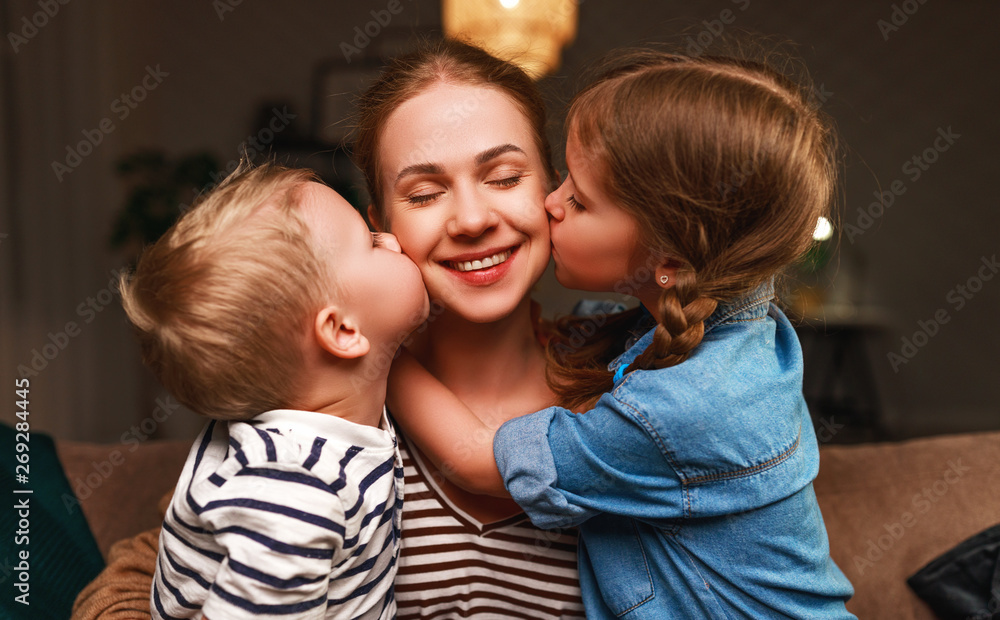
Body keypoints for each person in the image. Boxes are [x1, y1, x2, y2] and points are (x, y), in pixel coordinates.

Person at [71, 40, 586, 619]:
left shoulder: (634, 387)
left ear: (554, 190)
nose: (471, 219)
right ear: (381, 224)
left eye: (504, 176)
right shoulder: (314, 397)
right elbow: (144, 577)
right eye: (424, 193)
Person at [386, 49, 858, 618]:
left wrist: (379, 351)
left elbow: (480, 461)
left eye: (575, 198)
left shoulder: (685, 405)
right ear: (379, 223)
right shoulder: (707, 335)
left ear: (672, 258)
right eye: (422, 193)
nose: (552, 204)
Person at [119, 162, 429, 619]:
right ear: (342, 330)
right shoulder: (293, 492)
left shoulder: (324, 427)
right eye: (369, 241)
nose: (391, 240)